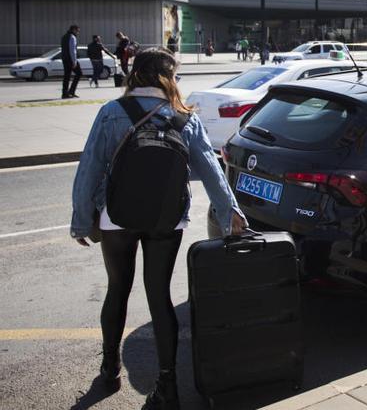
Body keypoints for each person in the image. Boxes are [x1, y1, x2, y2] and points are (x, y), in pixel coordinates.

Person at [70, 48, 248, 409]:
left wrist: (81, 220)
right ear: (170, 78)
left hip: (116, 216)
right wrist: (230, 213)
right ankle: (168, 386)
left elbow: (89, 169)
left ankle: (109, 370)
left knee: (117, 288)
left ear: (136, 74)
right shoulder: (187, 118)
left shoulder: (111, 113)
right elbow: (212, 173)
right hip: (167, 218)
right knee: (159, 295)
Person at [61, 24, 82, 99]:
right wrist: (74, 61)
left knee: (67, 76)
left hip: (65, 59)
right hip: (70, 59)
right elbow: (72, 50)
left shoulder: (64, 36)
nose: (78, 33)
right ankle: (71, 91)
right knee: (79, 73)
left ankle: (64, 93)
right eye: (77, 31)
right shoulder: (72, 37)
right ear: (74, 30)